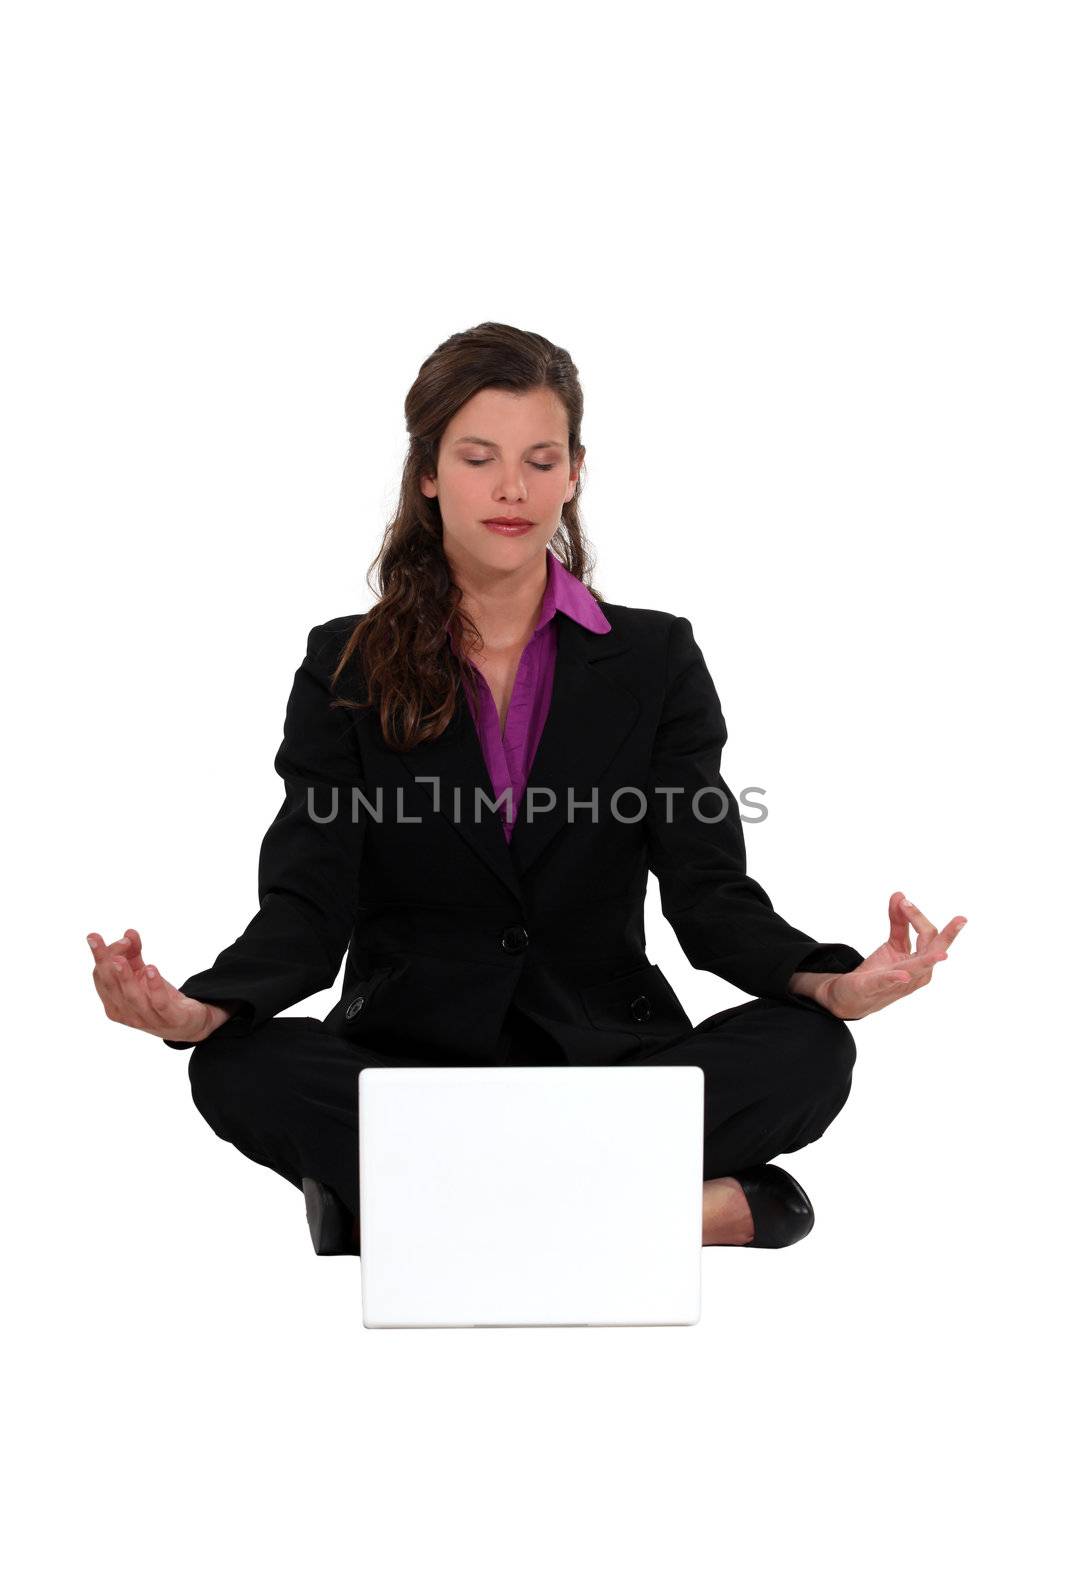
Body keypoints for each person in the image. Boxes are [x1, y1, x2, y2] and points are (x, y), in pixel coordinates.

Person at [87, 321, 966, 1255]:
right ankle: (681, 1208)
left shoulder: (654, 657)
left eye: (540, 460)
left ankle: (410, 1207)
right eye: (478, 458)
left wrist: (829, 981)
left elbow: (709, 894)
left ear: (574, 472)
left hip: (606, 1059)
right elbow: (308, 902)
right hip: (412, 1058)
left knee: (810, 1050)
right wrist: (201, 1009)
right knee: (236, 1065)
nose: (512, 489)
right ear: (427, 472)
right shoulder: (343, 662)